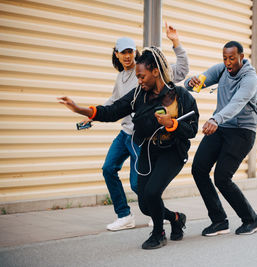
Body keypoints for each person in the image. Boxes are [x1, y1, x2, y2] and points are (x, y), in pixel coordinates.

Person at [58, 46, 199, 250]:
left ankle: (158, 233)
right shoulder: (138, 96)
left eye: (141, 76)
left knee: (152, 193)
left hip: (172, 151)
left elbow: (192, 129)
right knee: (144, 204)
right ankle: (176, 218)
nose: (139, 81)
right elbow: (112, 111)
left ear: (155, 72)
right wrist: (79, 108)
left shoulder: (181, 96)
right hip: (148, 151)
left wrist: (172, 124)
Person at [81, 23, 189, 231]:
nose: (128, 56)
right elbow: (113, 103)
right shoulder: (121, 77)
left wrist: (175, 42)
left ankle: (158, 212)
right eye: (123, 53)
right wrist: (91, 115)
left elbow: (182, 70)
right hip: (125, 134)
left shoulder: (149, 70)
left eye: (131, 52)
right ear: (117, 54)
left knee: (137, 184)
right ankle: (124, 215)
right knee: (108, 169)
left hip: (141, 136)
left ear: (135, 52)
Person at [184, 41, 257, 236]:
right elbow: (197, 83)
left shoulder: (250, 79)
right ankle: (219, 221)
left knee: (222, 177)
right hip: (221, 126)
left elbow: (237, 103)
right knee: (199, 169)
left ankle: (251, 219)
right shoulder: (221, 70)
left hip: (242, 131)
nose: (228, 62)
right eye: (225, 58)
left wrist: (215, 119)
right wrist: (191, 82)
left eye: (232, 58)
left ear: (241, 57)